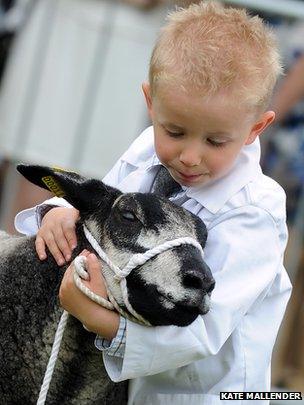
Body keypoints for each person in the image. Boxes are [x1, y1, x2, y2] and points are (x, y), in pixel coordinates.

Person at [15, 2, 292, 403]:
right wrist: (61, 214)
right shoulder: (147, 149)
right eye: (175, 131)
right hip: (131, 388)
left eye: (215, 141)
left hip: (208, 394)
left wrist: (98, 318)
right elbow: (105, 216)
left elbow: (203, 332)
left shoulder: (254, 212)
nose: (190, 156)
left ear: (256, 128)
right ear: (151, 103)